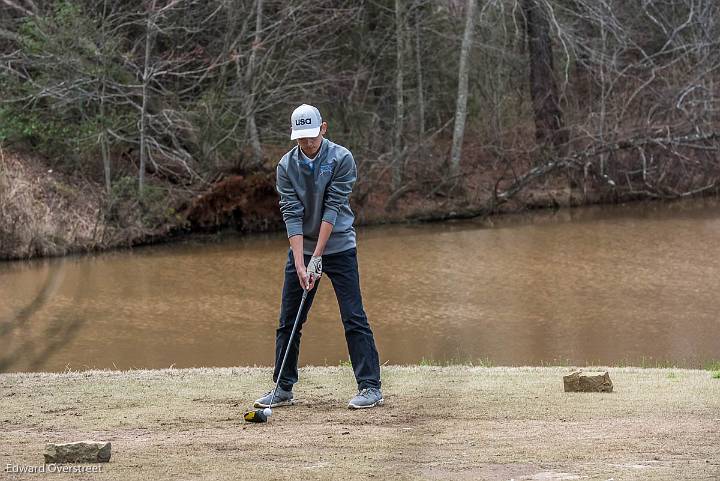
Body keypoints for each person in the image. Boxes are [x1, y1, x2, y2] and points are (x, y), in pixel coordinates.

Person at [254, 104, 383, 410]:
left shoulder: (341, 158)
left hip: (339, 247)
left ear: (323, 129)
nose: (308, 143)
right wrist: (301, 261)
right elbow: (292, 213)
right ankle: (283, 388)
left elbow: (333, 208)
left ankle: (370, 387)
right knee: (289, 319)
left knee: (353, 316)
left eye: (312, 137)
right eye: (301, 138)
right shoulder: (286, 166)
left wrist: (318, 256)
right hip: (303, 249)